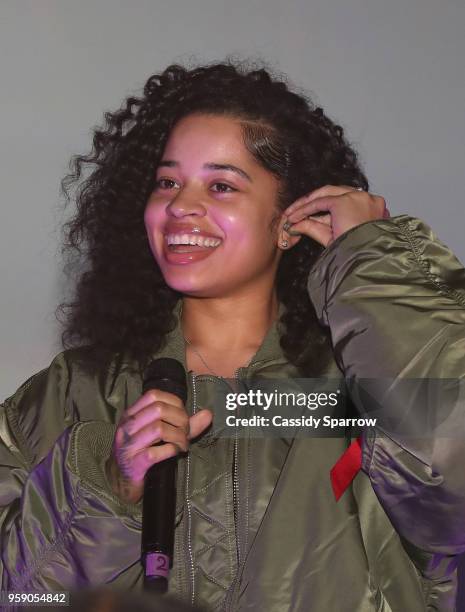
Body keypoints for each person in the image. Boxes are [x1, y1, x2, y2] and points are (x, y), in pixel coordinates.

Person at [0, 59, 464, 612]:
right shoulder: (72, 392)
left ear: (290, 219)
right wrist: (105, 487)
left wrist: (369, 256)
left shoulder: (354, 391)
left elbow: (450, 470)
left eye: (221, 185)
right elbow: (21, 598)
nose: (181, 207)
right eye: (167, 182)